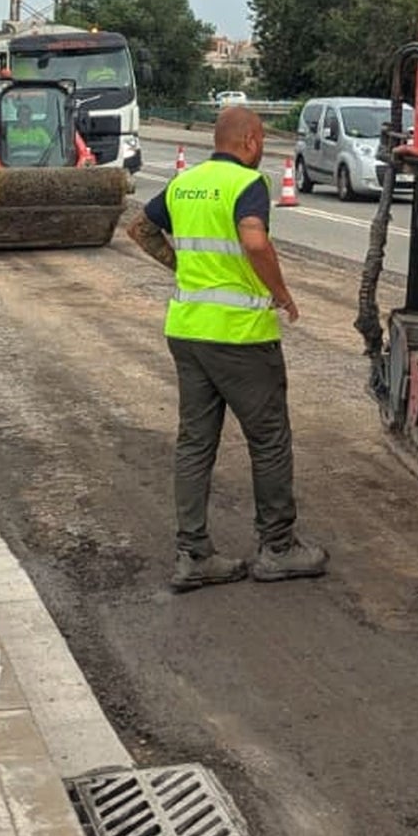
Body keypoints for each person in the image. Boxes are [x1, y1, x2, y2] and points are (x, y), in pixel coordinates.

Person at [125, 105, 326, 592]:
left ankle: (194, 555)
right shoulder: (246, 186)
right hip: (240, 337)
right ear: (252, 140)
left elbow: (138, 228)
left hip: (187, 330)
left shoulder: (185, 183)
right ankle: (278, 548)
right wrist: (281, 293)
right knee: (269, 439)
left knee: (195, 443)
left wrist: (182, 269)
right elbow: (254, 241)